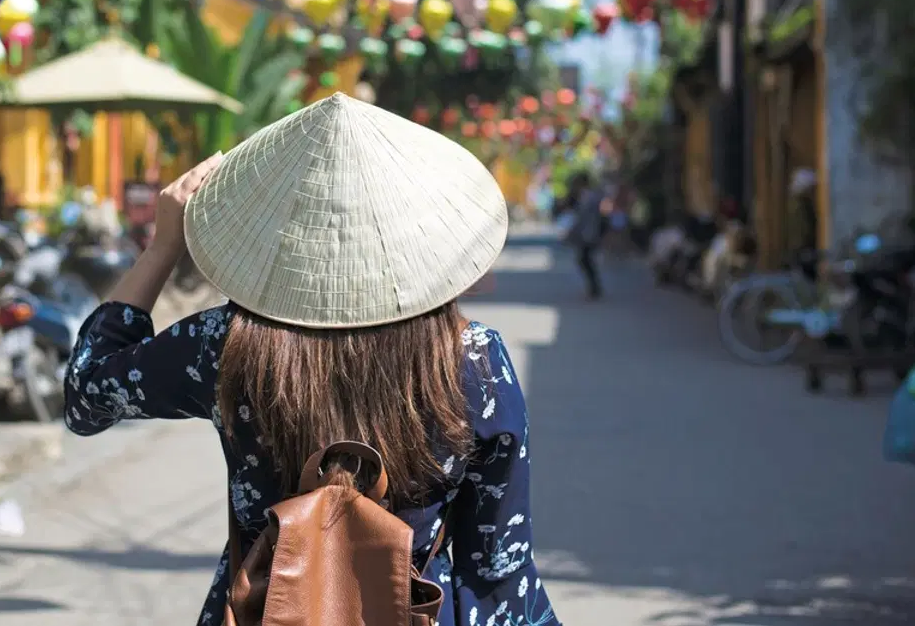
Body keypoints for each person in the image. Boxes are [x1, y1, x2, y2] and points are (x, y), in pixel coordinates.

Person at [63, 94, 558, 626]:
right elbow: (500, 573)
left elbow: (86, 396)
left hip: (264, 608)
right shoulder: (476, 360)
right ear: (418, 236)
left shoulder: (221, 342)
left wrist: (162, 247)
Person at [558, 169, 605, 299]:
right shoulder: (589, 196)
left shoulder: (588, 197)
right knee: (585, 260)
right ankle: (594, 287)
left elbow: (582, 218)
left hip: (589, 234)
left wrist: (571, 233)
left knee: (585, 260)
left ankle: (595, 288)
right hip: (588, 233)